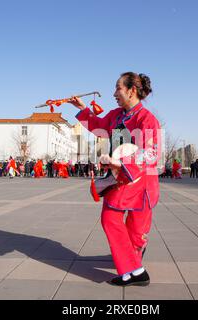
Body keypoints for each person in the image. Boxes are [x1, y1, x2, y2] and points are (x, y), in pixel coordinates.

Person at [68, 72, 160, 287]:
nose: (114, 93)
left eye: (118, 88)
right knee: (110, 218)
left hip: (141, 182)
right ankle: (135, 270)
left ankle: (133, 258)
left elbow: (152, 153)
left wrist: (123, 163)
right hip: (120, 180)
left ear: (131, 90)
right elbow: (98, 126)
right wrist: (82, 109)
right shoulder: (117, 116)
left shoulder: (146, 119)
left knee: (137, 232)